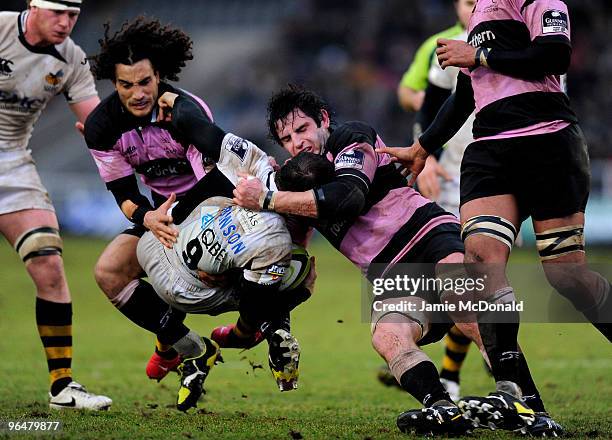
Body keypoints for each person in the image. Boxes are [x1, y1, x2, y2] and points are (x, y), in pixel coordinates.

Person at [377, 0, 611, 432]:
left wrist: (479, 54)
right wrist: (422, 149)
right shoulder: (482, 12)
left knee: (567, 277)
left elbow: (555, 55)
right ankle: (510, 389)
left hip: (548, 141)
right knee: (480, 263)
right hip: (489, 150)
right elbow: (466, 93)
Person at [133, 90, 313, 410]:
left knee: (289, 268)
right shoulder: (257, 163)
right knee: (292, 273)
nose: (297, 143)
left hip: (185, 244)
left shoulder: (259, 164)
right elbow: (198, 126)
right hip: (181, 229)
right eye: (288, 137)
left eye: (301, 131)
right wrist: (172, 98)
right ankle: (255, 332)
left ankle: (192, 343)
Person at [83, 16, 216, 382]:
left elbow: (214, 180)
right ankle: (189, 347)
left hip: (210, 209)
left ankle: (262, 329)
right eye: (126, 85)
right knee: (108, 271)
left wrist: (190, 232)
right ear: (114, 83)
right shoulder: (101, 126)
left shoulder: (186, 111)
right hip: (159, 216)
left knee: (202, 273)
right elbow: (123, 193)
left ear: (159, 76)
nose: (138, 93)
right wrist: (149, 219)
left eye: (145, 82)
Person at [0, 0, 111, 410]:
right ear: (32, 6)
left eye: (73, 15)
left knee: (48, 262)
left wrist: (106, 131)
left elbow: (95, 122)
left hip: (11, 162)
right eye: (57, 13)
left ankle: (62, 387)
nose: (66, 23)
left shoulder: (72, 59)